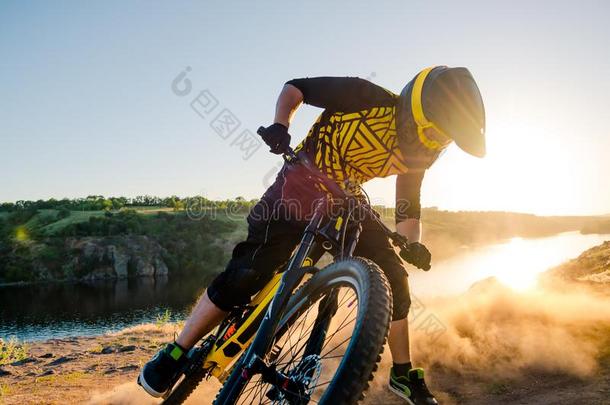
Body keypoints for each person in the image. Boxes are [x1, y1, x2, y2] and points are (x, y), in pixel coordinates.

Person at [138, 66, 486, 404]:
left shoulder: (422, 153)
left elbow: (408, 204)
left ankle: (402, 372)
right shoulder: (366, 96)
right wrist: (280, 125)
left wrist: (413, 244)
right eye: (430, 130)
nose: (430, 141)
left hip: (345, 202)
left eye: (441, 137)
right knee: (249, 272)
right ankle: (176, 352)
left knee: (395, 277)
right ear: (415, 110)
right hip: (296, 187)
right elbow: (295, 88)